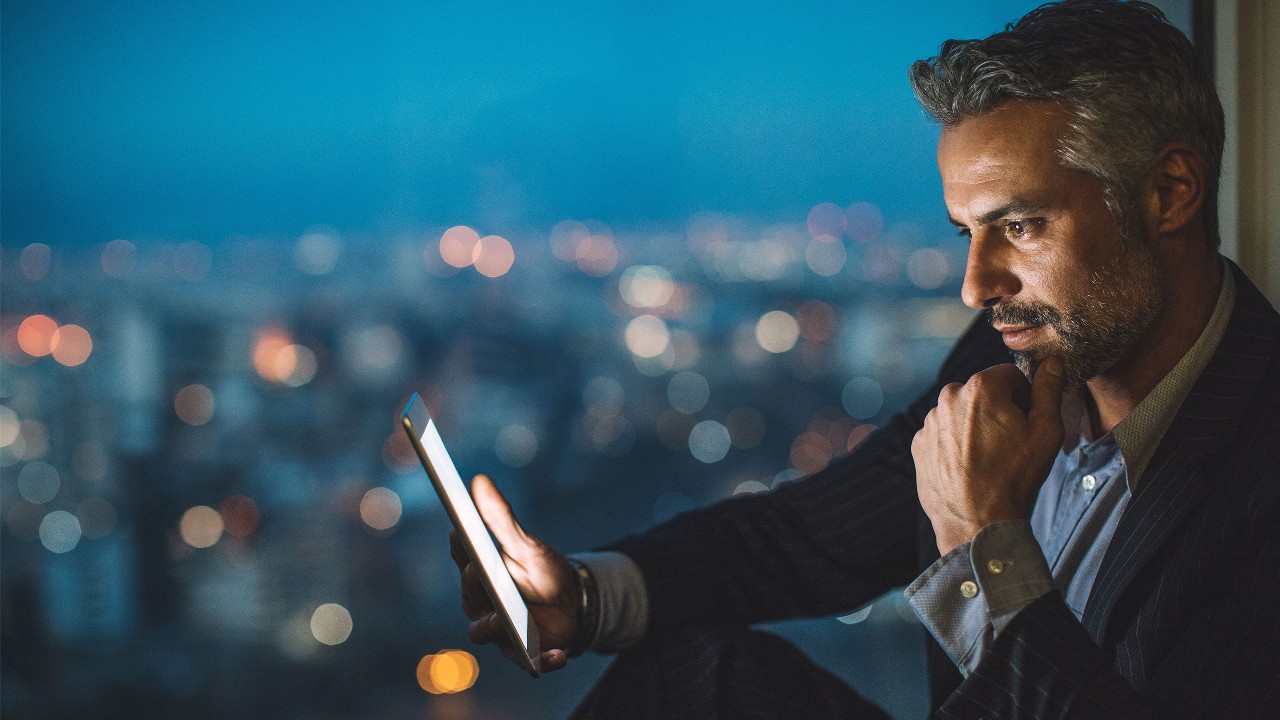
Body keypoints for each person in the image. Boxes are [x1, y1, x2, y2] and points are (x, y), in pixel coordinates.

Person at [451, 1, 1280, 717]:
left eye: (1021, 226)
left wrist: (981, 544)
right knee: (693, 679)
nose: (974, 285)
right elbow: (809, 537)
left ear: (1171, 190)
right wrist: (585, 598)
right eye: (969, 233)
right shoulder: (1011, 353)